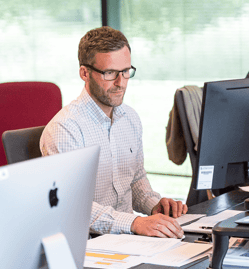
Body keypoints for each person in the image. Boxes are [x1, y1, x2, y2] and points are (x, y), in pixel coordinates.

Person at [40, 26, 187, 238]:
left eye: (126, 71)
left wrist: (155, 206)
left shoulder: (130, 118)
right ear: (85, 73)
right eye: (110, 73)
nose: (121, 83)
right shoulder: (65, 129)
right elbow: (73, 206)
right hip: (89, 245)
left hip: (128, 239)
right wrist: (135, 222)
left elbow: (135, 180)